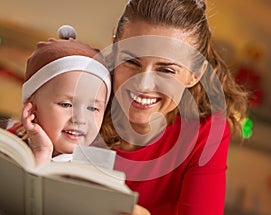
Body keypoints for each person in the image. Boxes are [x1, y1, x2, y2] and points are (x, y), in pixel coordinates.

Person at [100, 0, 248, 215]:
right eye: (131, 61)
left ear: (195, 74)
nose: (142, 84)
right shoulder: (79, 94)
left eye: (166, 70)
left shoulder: (204, 133)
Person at [7, 26, 111, 167]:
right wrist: (42, 151)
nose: (80, 119)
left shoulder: (97, 167)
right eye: (66, 104)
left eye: (92, 108)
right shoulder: (8, 147)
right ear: (32, 109)